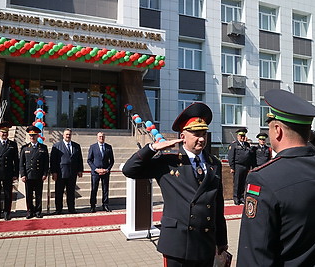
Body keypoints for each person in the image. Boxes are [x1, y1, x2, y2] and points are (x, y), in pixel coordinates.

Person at [237, 89, 315, 266]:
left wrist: (310, 135)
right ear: (308, 131)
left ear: (277, 130)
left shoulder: (263, 178)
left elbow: (255, 254)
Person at [122, 102, 228, 267]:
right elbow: (129, 170)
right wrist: (152, 148)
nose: (201, 138)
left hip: (205, 242)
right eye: (196, 134)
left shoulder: (214, 163)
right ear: (183, 136)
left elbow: (218, 205)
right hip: (178, 244)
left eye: (204, 134)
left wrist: (222, 240)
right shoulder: (168, 160)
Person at [50, 128, 83, 214]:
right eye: (66, 134)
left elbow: (80, 159)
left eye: (69, 134)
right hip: (60, 173)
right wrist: (54, 172)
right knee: (59, 192)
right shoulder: (57, 146)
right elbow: (53, 160)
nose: (68, 136)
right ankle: (58, 209)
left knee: (71, 192)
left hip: (72, 173)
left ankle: (71, 208)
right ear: (63, 135)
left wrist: (80, 170)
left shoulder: (76, 146)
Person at [19, 126, 49, 219]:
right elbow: (21, 163)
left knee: (38, 194)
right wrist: (23, 174)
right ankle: (30, 211)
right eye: (31, 135)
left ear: (37, 135)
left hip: (39, 175)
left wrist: (45, 174)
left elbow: (46, 163)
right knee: (29, 195)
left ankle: (38, 211)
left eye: (34, 135)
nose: (32, 137)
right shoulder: (24, 148)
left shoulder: (43, 147)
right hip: (29, 175)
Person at [87, 132, 114, 212]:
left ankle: (105, 205)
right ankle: (92, 206)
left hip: (105, 172)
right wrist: (96, 169)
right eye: (100, 136)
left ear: (104, 137)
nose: (101, 138)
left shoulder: (108, 147)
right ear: (97, 137)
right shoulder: (93, 147)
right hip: (95, 172)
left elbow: (112, 161)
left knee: (105, 189)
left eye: (102, 136)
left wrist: (107, 169)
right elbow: (89, 160)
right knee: (94, 189)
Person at [228, 128, 254, 205]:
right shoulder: (234, 145)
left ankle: (241, 197)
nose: (242, 137)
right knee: (237, 183)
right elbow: (230, 156)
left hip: (245, 166)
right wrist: (232, 167)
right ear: (237, 136)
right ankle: (236, 198)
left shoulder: (247, 144)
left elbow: (249, 156)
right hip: (237, 166)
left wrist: (249, 167)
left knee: (243, 182)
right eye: (241, 136)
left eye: (243, 136)